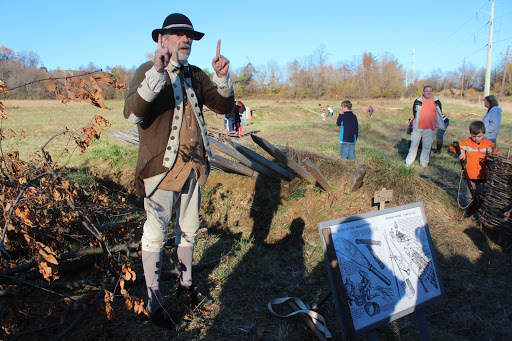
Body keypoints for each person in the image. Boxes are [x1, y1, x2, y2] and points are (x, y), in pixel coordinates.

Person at [123, 13, 234, 327]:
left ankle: (186, 289)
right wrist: (157, 73)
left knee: (188, 231)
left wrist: (223, 78)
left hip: (193, 168)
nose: (186, 40)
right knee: (156, 234)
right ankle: (155, 301)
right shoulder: (147, 70)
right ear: (163, 40)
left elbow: (224, 107)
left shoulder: (196, 74)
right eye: (179, 35)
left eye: (189, 36)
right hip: (160, 170)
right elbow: (132, 114)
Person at [450, 121, 494, 205]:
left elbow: (496, 154)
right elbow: (453, 147)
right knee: (469, 195)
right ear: (470, 133)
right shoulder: (467, 142)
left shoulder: (489, 144)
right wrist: (462, 151)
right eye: (474, 136)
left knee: (481, 194)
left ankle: (478, 210)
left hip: (483, 175)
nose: (476, 138)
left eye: (479, 136)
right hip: (469, 175)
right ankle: (468, 210)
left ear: (484, 133)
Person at [405, 85, 445, 168]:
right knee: (414, 145)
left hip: (430, 128)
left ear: (432, 92)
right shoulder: (418, 101)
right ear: (423, 92)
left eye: (430, 91)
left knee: (427, 146)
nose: (428, 92)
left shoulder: (437, 101)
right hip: (418, 128)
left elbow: (439, 113)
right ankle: (409, 162)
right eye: (427, 91)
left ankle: (424, 162)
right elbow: (414, 113)